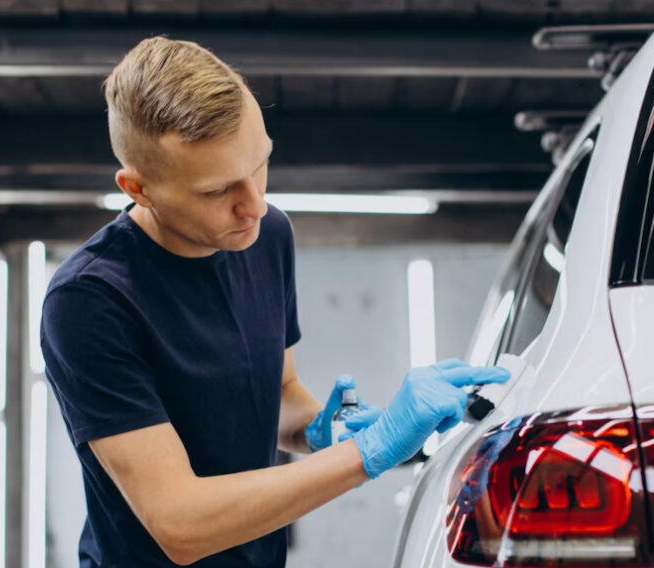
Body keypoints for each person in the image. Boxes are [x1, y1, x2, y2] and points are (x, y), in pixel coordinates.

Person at [39, 36, 509, 568]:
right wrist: (370, 452)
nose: (255, 205)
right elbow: (179, 524)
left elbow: (278, 392)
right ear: (137, 189)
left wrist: (322, 430)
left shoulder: (267, 236)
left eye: (260, 164)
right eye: (217, 191)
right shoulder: (90, 301)